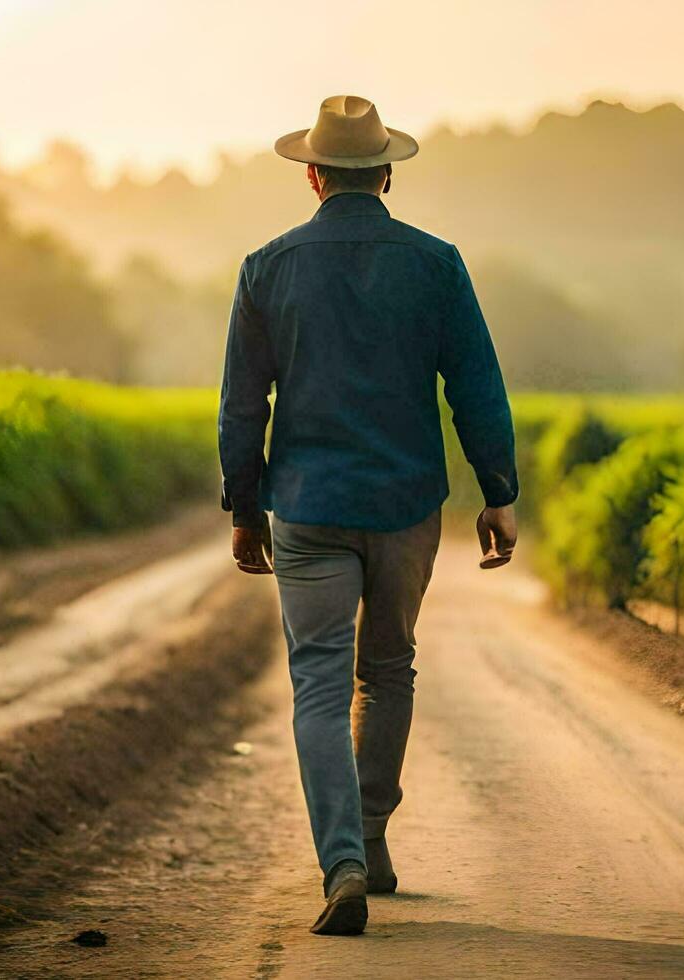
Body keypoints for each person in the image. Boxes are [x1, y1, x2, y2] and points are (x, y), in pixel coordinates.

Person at [217, 95, 519, 936]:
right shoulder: (437, 264)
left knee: (317, 685)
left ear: (312, 176)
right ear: (386, 175)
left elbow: (242, 405)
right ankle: (374, 836)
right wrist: (498, 491)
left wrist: (246, 508)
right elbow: (477, 385)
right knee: (387, 670)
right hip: (405, 504)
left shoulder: (266, 268)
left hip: (307, 507)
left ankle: (343, 861)